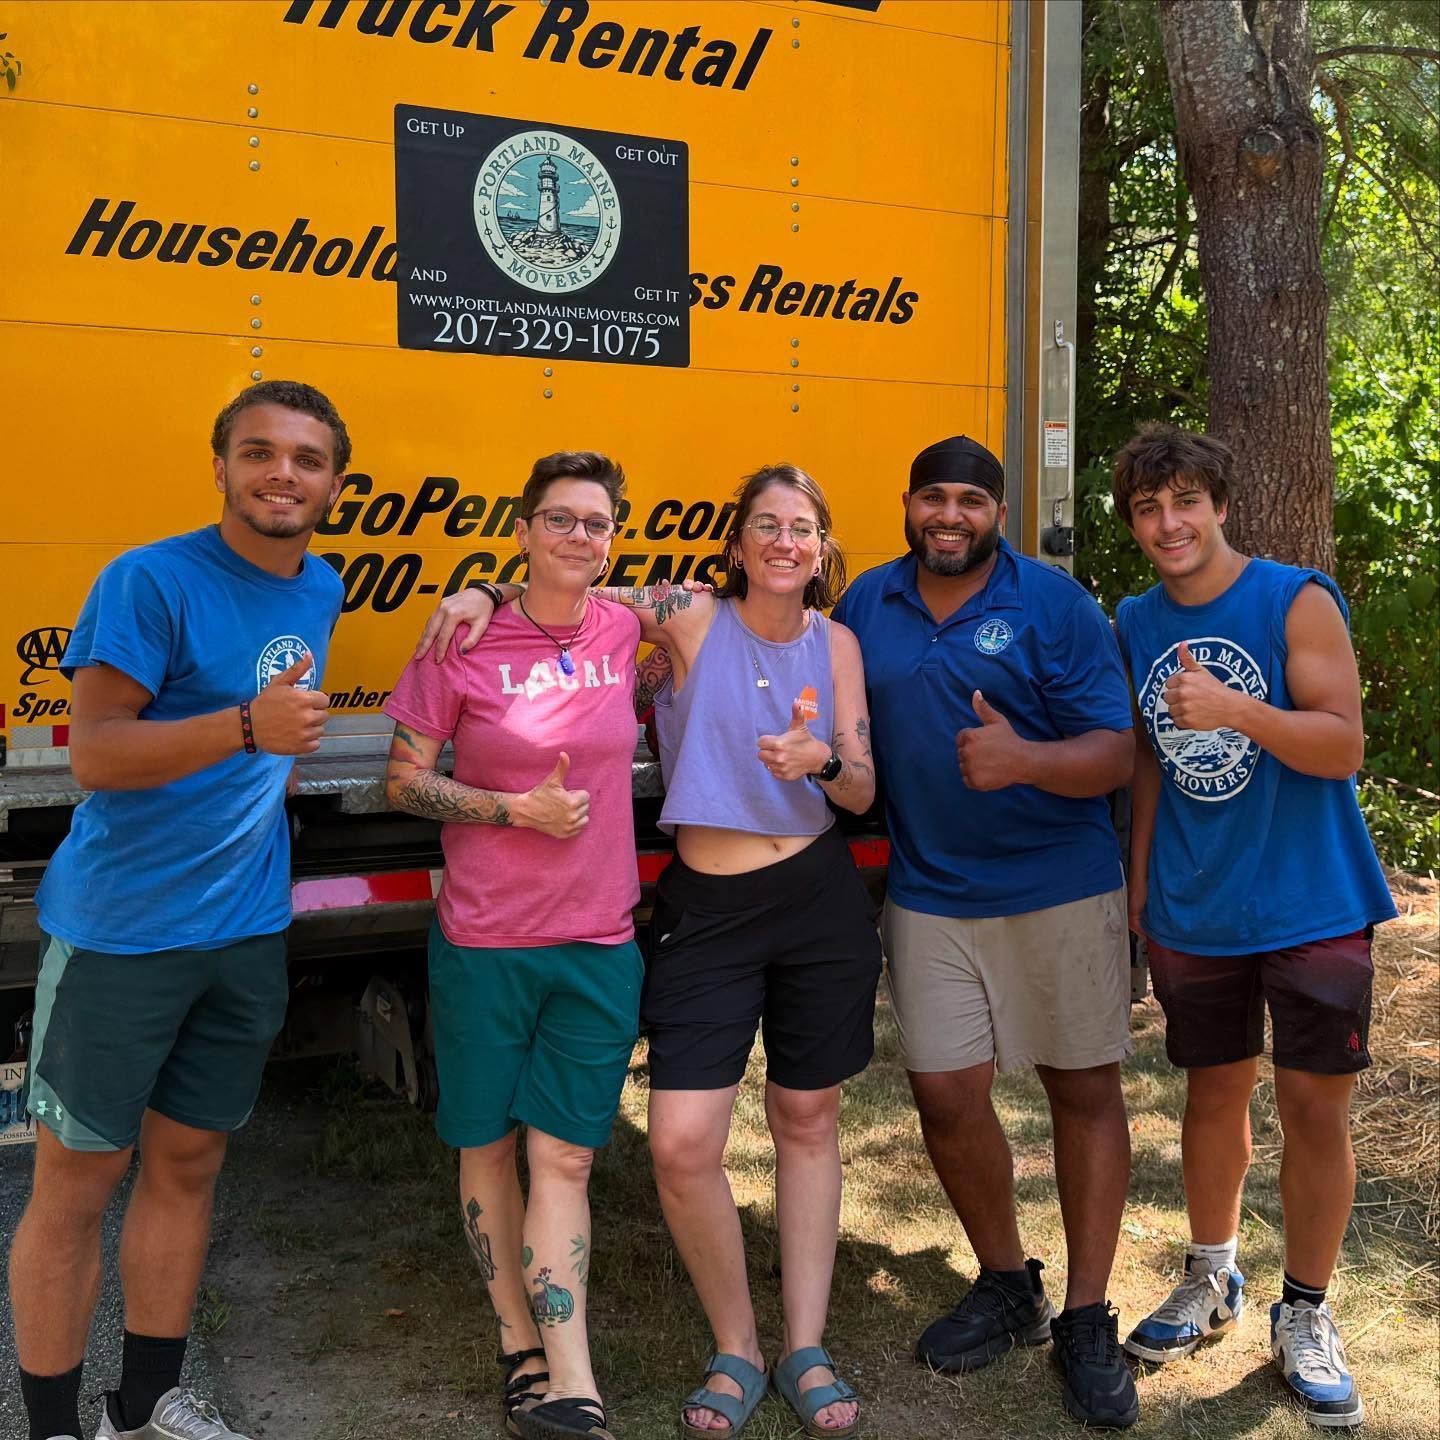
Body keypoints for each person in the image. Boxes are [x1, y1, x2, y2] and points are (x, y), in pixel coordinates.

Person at [422, 462, 881, 1438]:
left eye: (803, 528)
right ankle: (736, 1347)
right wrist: (482, 589)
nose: (786, 542)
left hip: (817, 902)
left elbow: (861, 787)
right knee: (679, 1146)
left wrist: (824, 762)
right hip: (707, 906)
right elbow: (572, 573)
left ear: (824, 546)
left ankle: (803, 1344)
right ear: (739, 543)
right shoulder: (683, 616)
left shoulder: (837, 641)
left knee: (807, 1117)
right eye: (767, 524)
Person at [8, 381, 349, 1440]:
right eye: (259, 452)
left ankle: (148, 1406)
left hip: (242, 934)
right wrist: (246, 725)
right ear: (220, 466)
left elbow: (278, 757)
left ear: (334, 482)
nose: (281, 474)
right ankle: (55, 1424)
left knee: (189, 1164)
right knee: (76, 1182)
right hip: (122, 935)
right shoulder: (148, 581)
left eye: (306, 458)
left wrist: (262, 772)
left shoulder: (321, 587)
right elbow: (99, 753)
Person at [830, 435, 1140, 1429]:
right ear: (908, 504)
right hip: (930, 893)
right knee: (944, 1095)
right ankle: (1010, 1284)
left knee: (1081, 1086)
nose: (949, 515)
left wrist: (1025, 761)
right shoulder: (865, 605)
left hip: (1059, 884)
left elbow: (1118, 752)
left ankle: (1089, 1313)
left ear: (998, 513)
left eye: (970, 499)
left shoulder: (1054, 604)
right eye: (933, 497)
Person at [1110, 424, 1396, 1429]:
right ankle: (1213, 1277)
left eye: (1185, 500)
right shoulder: (1135, 618)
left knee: (1315, 1108)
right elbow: (1147, 760)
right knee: (1211, 1094)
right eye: (1149, 508)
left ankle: (1306, 1310)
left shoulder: (1294, 599)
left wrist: (1236, 708)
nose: (1169, 522)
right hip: (1196, 901)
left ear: (1221, 505)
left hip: (1311, 898)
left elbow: (1343, 745)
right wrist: (1140, 894)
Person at [385, 452, 649, 1440]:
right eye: (560, 520)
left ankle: (572, 1380)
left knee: (567, 1158)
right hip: (487, 940)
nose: (579, 537)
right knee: (487, 1144)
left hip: (597, 940)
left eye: (597, 522)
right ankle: (519, 1350)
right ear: (524, 526)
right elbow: (403, 778)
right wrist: (512, 810)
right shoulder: (462, 639)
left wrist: (493, 579)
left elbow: (717, 592)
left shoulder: (625, 626)